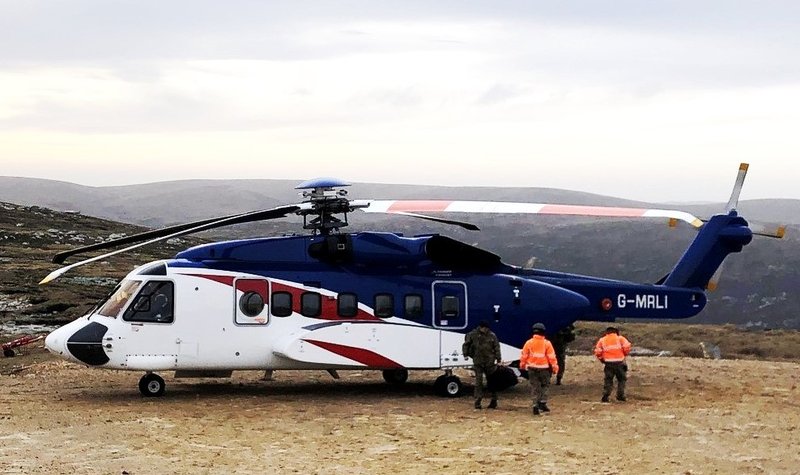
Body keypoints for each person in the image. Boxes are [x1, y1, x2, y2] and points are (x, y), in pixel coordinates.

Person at [519, 323, 559, 415]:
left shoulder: (529, 343)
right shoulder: (547, 343)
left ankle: (535, 405)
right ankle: (542, 403)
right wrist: (555, 368)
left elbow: (524, 356)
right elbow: (552, 357)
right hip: (544, 369)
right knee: (545, 386)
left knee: (535, 387)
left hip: (532, 368)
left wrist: (522, 365)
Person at [462, 320, 502, 409]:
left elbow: (497, 347)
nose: (486, 330)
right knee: (478, 383)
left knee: (492, 382)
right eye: (485, 328)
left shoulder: (492, 335)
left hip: (490, 362)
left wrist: (498, 359)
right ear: (481, 327)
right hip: (478, 362)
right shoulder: (472, 335)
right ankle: (477, 402)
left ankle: (494, 400)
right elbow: (466, 345)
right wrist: (465, 354)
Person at [594, 326, 632, 402]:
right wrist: (624, 354)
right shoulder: (620, 338)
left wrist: (602, 360)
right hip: (619, 362)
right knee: (621, 379)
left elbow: (598, 352)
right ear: (616, 332)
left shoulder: (602, 340)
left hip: (608, 363)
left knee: (608, 379)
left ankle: (606, 395)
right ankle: (620, 395)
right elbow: (627, 347)